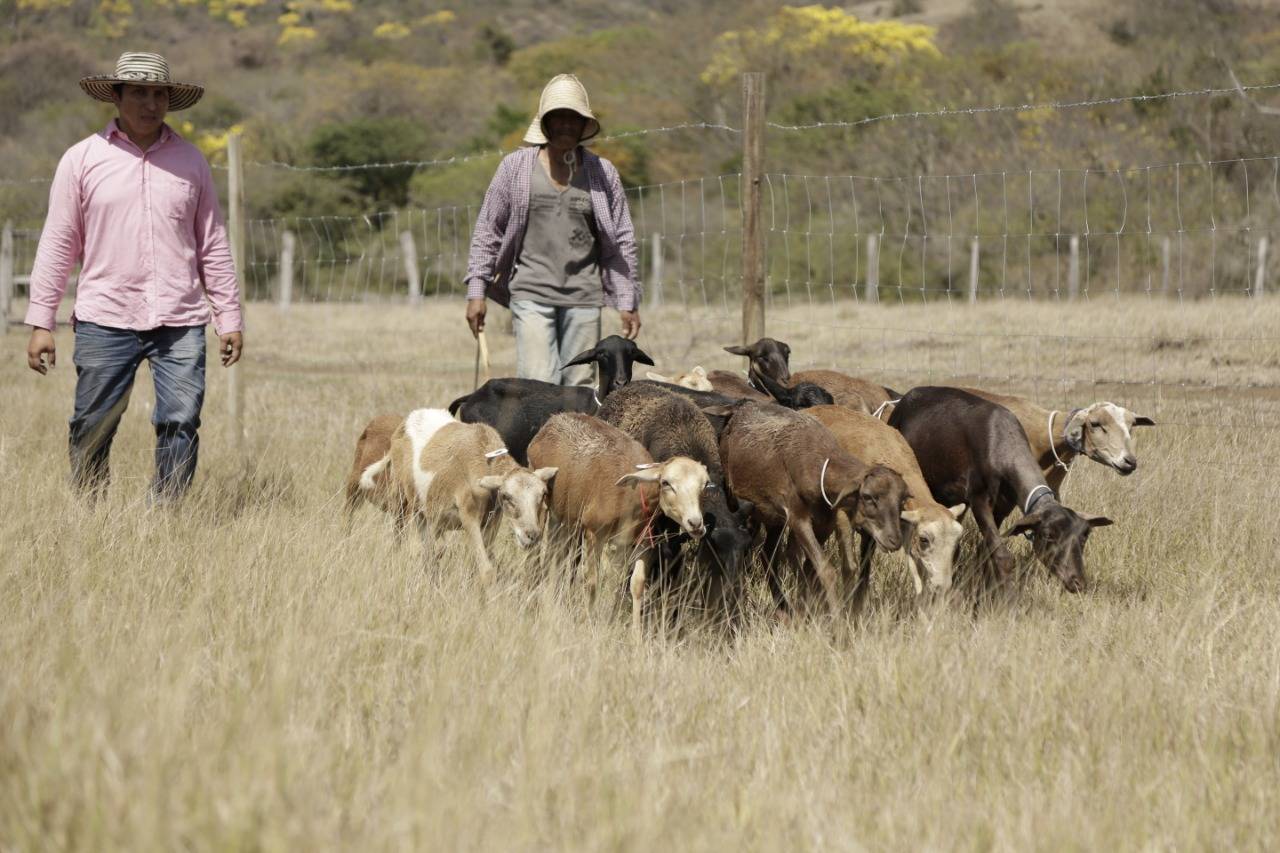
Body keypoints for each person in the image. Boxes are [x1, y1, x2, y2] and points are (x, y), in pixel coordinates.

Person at [24, 52, 243, 504]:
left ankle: (164, 516)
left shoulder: (191, 163)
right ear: (117, 97)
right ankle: (90, 511)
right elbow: (58, 243)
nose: (150, 103)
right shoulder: (81, 160)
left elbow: (213, 243)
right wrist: (42, 322)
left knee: (181, 421)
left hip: (180, 319)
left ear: (170, 99)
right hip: (106, 316)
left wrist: (230, 316)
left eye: (159, 93)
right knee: (92, 422)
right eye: (139, 92)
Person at [464, 74, 641, 386]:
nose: (565, 126)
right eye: (557, 118)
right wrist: (476, 291)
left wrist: (627, 300)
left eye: (573, 119)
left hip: (584, 297)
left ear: (583, 125)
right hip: (531, 292)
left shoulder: (602, 172)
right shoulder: (516, 168)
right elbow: (487, 231)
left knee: (580, 386)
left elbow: (622, 241)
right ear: (544, 123)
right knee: (538, 385)